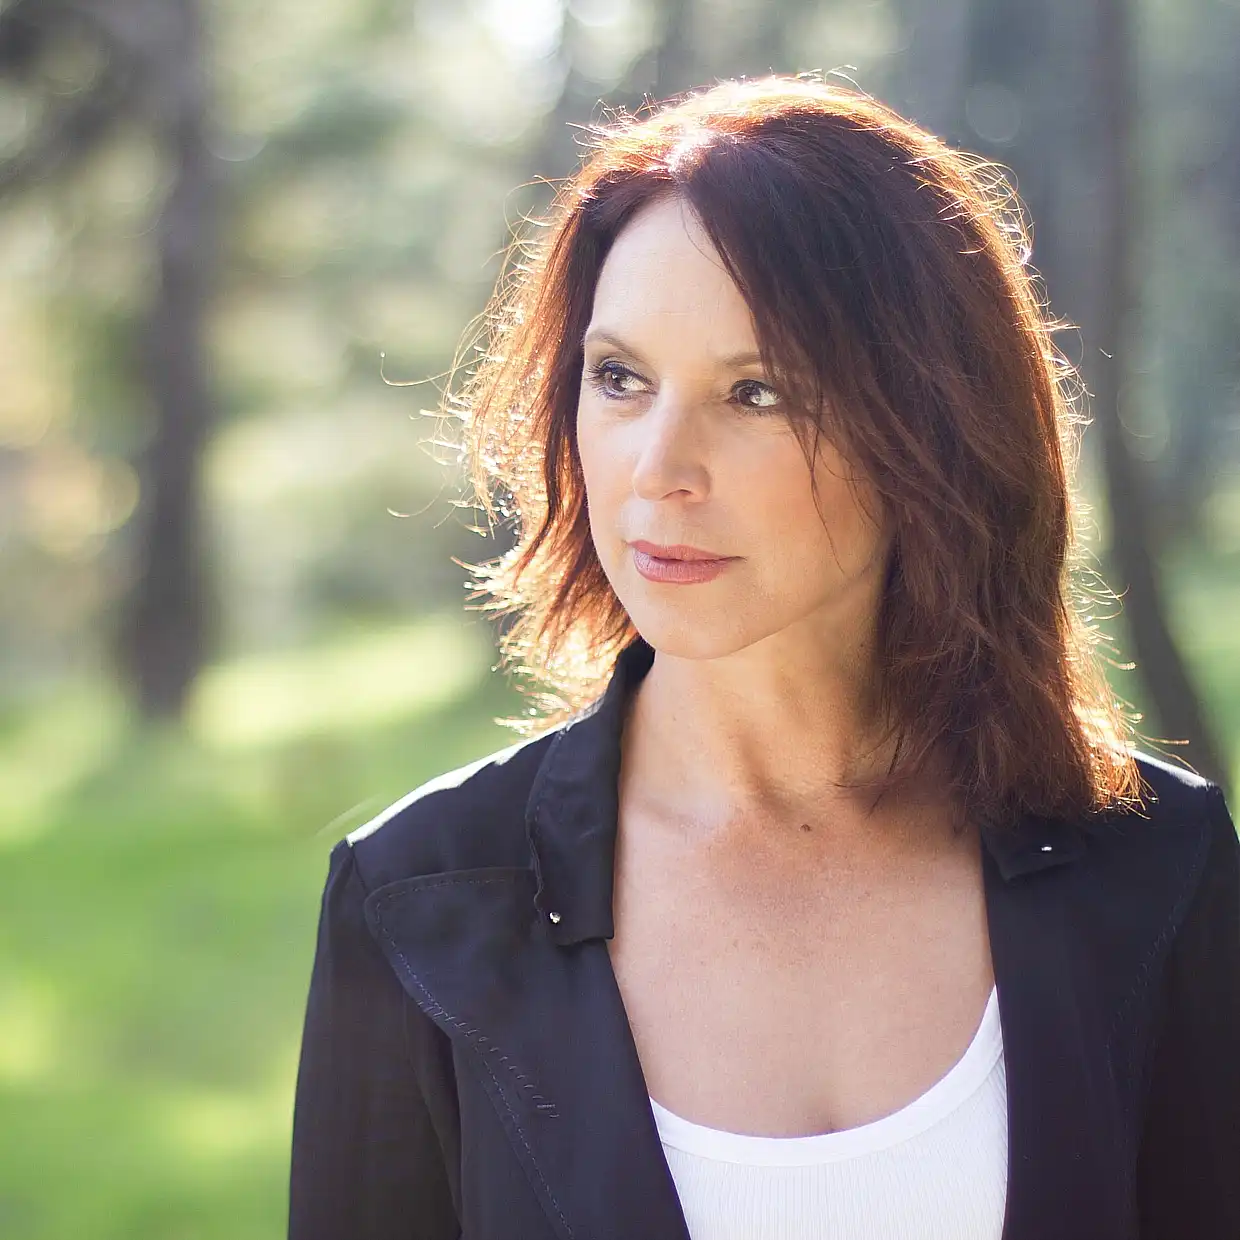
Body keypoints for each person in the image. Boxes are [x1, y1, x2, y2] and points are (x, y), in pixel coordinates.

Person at [287, 76, 1239, 1240]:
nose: (658, 469)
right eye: (619, 377)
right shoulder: (418, 901)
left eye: (756, 392)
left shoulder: (1154, 864)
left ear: (931, 428)